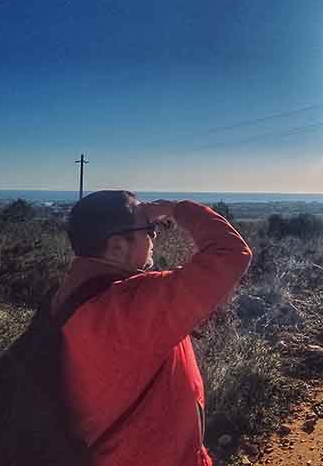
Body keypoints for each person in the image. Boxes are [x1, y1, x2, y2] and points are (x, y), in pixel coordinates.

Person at [55, 190, 252, 465]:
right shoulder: (132, 305)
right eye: (149, 228)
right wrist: (175, 209)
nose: (154, 237)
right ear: (117, 247)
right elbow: (230, 251)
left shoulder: (68, 296)